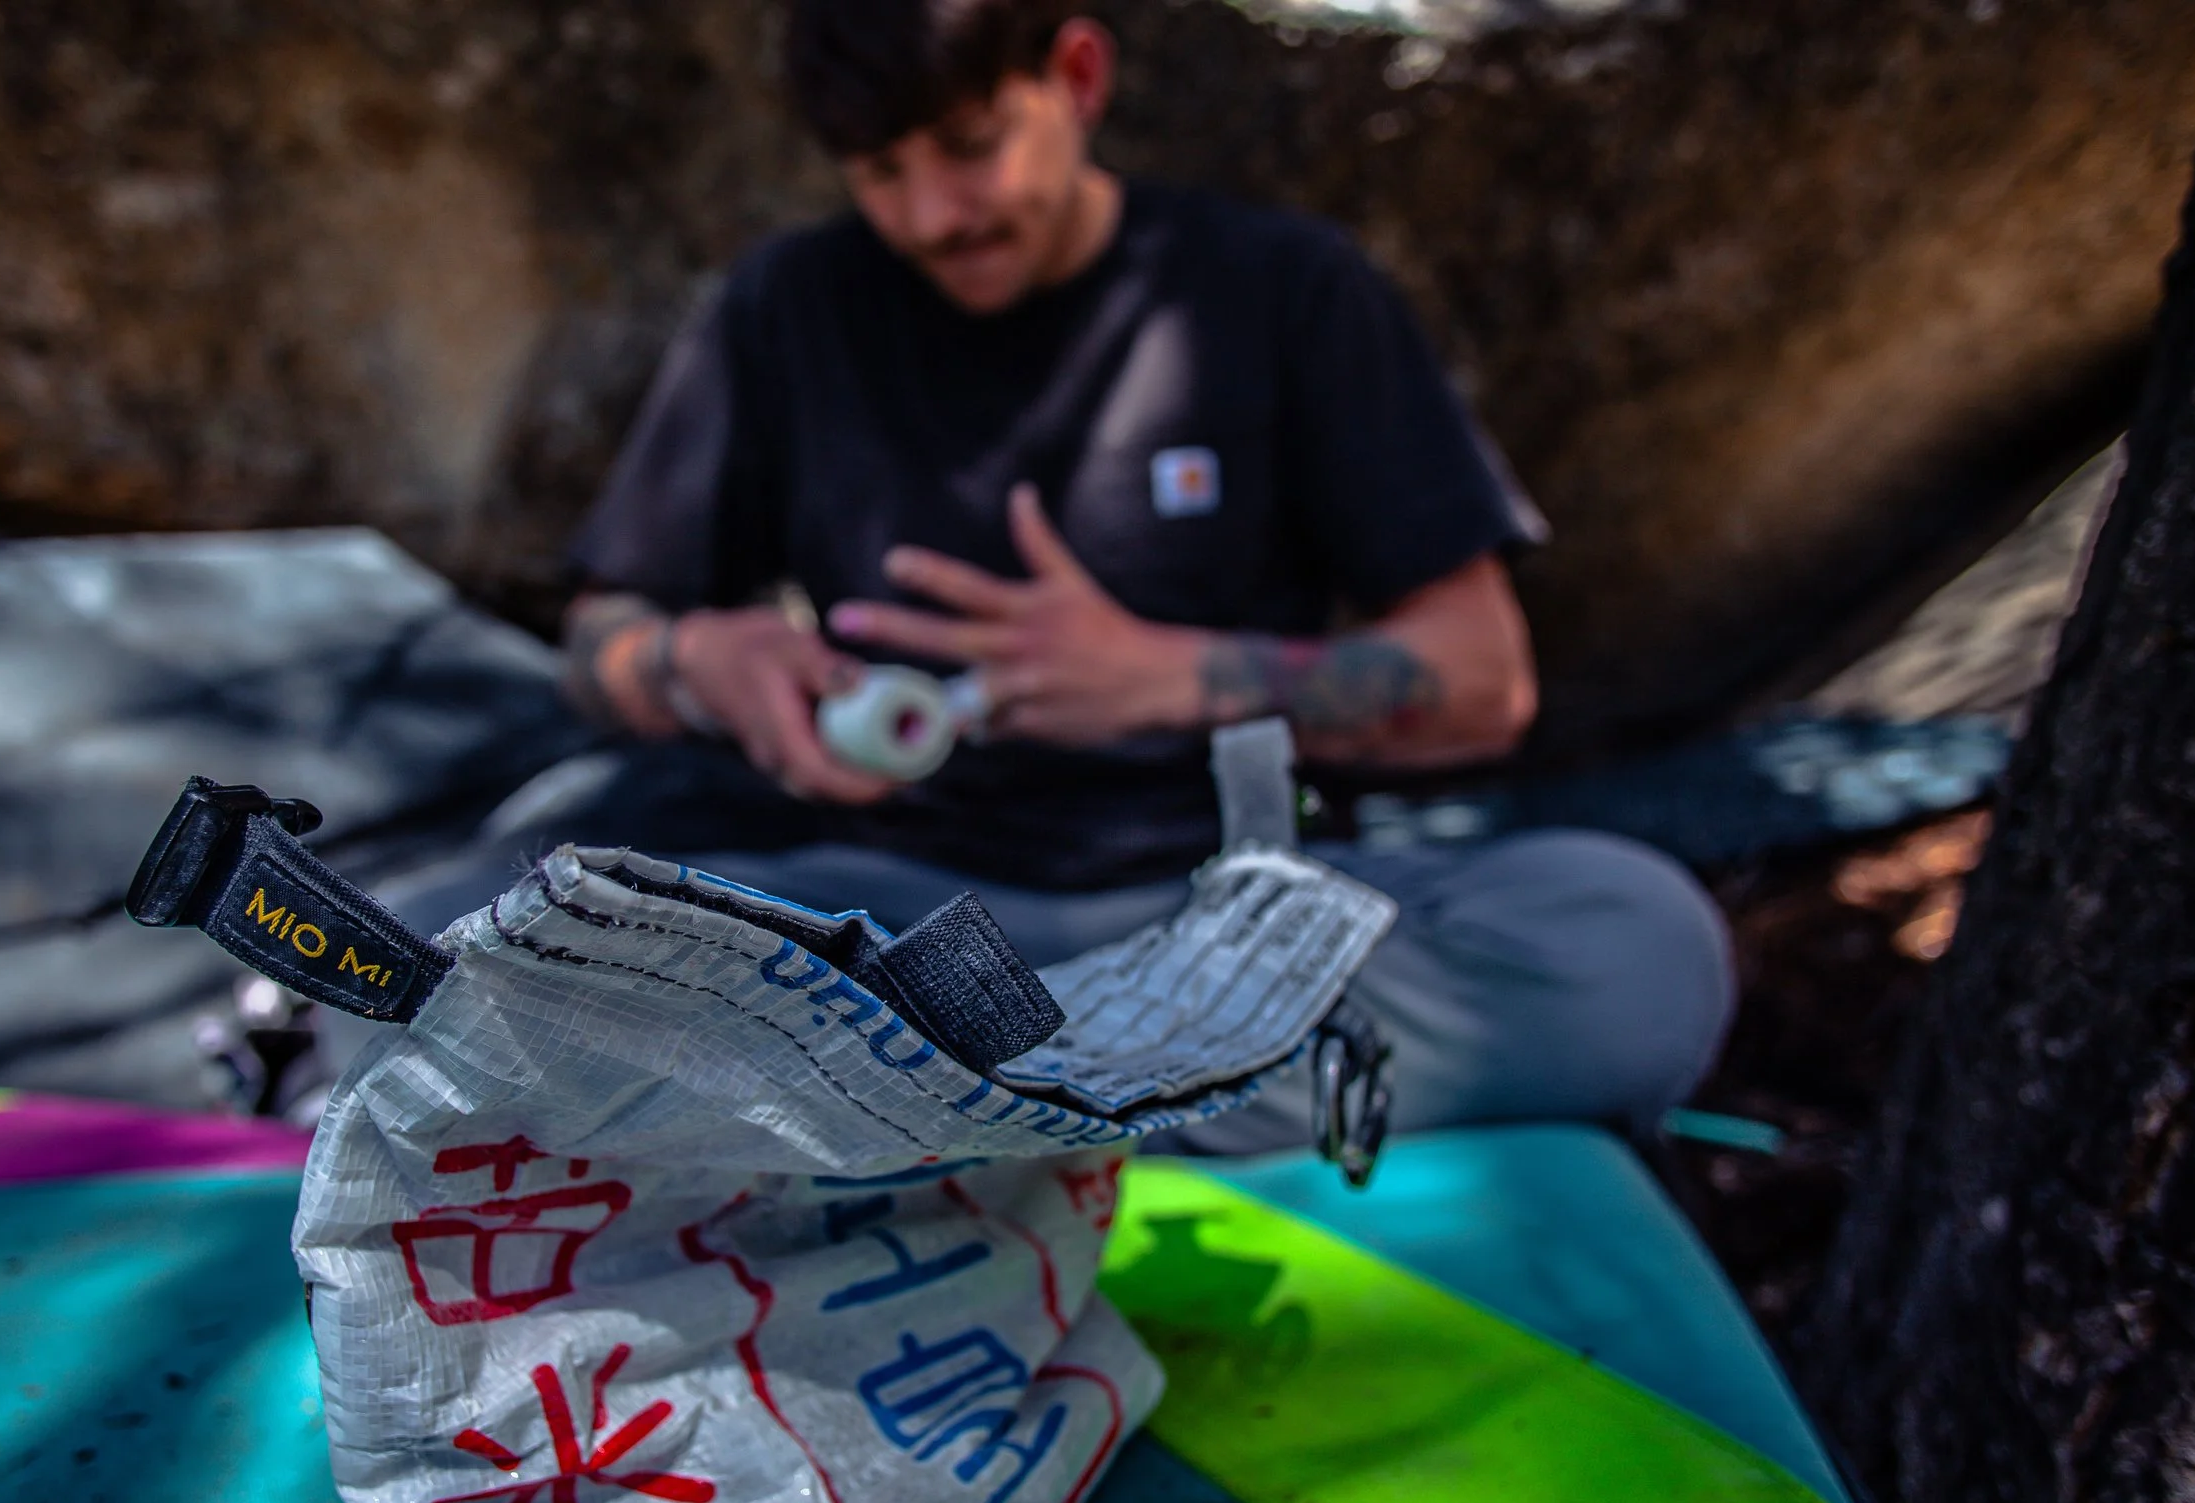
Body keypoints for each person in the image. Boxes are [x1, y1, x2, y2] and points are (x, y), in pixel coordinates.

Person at [542, 0, 1733, 1148]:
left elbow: (1483, 680)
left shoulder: (1281, 291)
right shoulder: (787, 307)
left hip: (1222, 914)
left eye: (970, 147)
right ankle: (1090, 1105)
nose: (934, 214)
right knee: (466, 931)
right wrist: (699, 666)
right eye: (878, 172)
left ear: (1077, 77)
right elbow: (601, 640)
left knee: (1640, 944)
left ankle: (913, 1114)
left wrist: (1167, 677)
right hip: (887, 916)